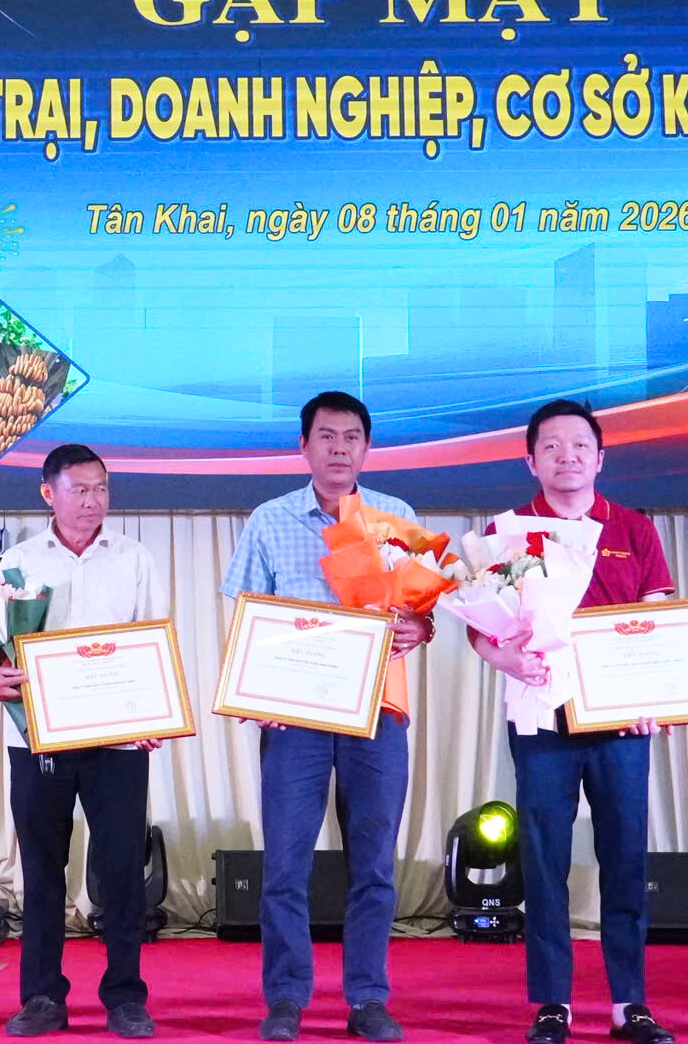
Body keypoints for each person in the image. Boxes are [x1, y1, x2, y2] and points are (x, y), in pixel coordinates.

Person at [220, 390, 433, 1043]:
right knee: (285, 865)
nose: (339, 449)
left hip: (377, 711)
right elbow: (246, 617)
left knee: (374, 864)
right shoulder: (269, 519)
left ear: (367, 448)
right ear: (304, 446)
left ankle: (367, 998)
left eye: (351, 438)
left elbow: (419, 614)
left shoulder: (396, 517)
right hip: (295, 718)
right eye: (327, 437)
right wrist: (256, 697)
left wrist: (420, 628)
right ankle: (286, 998)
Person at [464, 400, 678, 1044]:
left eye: (581, 445)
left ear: (600, 458)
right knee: (544, 857)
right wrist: (505, 659)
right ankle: (552, 1001)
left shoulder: (634, 528)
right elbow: (480, 627)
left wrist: (655, 697)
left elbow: (658, 620)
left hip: (619, 721)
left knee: (625, 855)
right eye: (552, 447)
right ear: (530, 460)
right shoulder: (505, 532)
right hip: (541, 718)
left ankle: (629, 1002)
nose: (568, 457)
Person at [0, 444, 164, 1040]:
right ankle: (41, 997)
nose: (92, 501)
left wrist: (155, 709)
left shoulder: (134, 558)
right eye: (79, 489)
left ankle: (125, 997)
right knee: (41, 870)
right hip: (39, 739)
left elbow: (153, 639)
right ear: (47, 493)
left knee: (122, 871)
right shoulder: (20, 560)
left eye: (101, 488)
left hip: (120, 740)